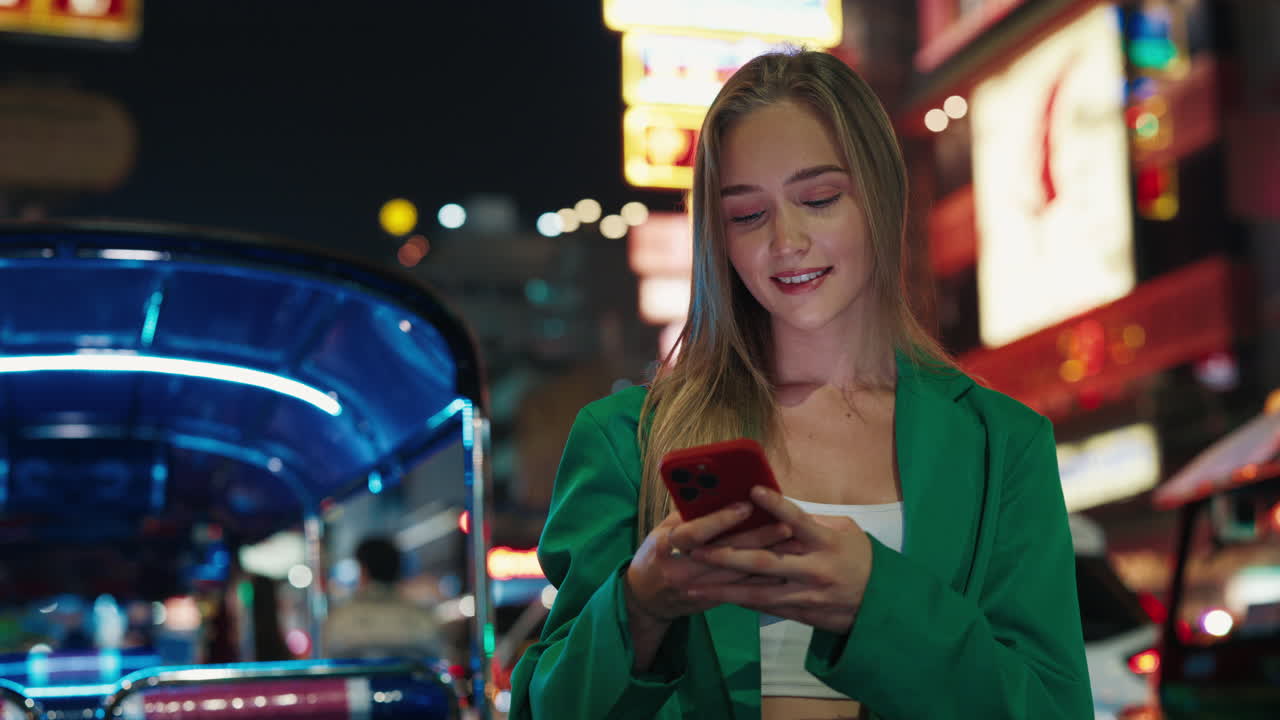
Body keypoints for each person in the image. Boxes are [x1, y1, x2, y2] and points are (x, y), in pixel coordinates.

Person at [509, 49, 1091, 719]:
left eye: (818, 199)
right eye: (747, 216)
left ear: (879, 196)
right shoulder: (626, 440)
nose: (787, 241)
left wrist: (874, 604)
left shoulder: (1001, 445)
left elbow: (1051, 708)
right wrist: (641, 602)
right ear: (717, 239)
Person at [322, 536, 442, 660]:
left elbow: (333, 658)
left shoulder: (341, 619)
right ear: (398, 570)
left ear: (363, 571)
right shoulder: (421, 618)